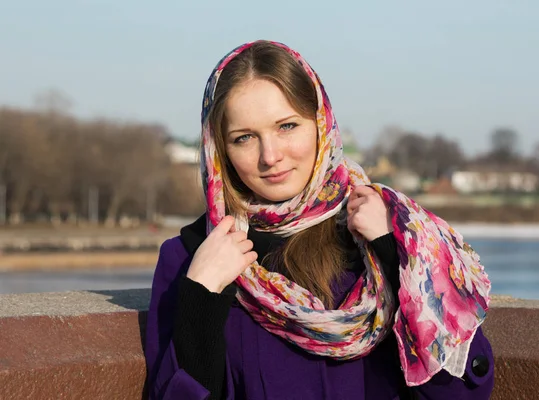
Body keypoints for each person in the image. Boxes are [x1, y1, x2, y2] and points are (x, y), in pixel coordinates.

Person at [144, 40, 494, 400]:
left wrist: (396, 255)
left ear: (320, 123)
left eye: (287, 126)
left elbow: (461, 393)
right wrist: (202, 297)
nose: (270, 156)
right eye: (244, 138)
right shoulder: (191, 259)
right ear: (219, 150)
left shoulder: (385, 232)